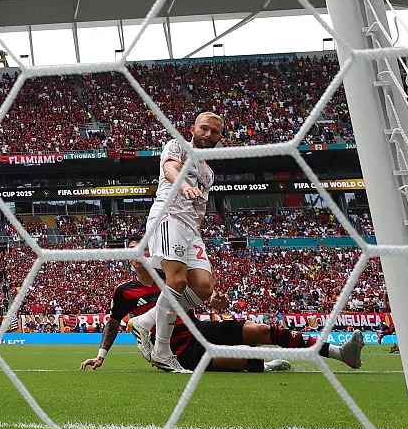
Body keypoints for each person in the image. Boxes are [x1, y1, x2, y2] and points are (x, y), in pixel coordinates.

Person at [79, 258, 365, 373]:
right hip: (178, 352)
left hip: (199, 329)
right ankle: (265, 367)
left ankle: (340, 353)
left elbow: (203, 295)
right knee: (246, 356)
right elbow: (114, 323)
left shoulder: (174, 276)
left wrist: (215, 300)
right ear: (132, 260)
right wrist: (101, 355)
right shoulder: (125, 292)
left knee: (258, 330)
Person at [128, 112, 224, 373]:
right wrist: (182, 186)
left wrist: (196, 232)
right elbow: (170, 168)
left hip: (191, 228)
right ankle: (162, 351)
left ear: (219, 137)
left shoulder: (209, 173)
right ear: (193, 128)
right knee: (178, 281)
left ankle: (145, 321)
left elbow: (200, 207)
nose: (207, 135)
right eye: (203, 128)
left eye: (214, 132)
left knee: (203, 288)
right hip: (169, 216)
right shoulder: (176, 145)